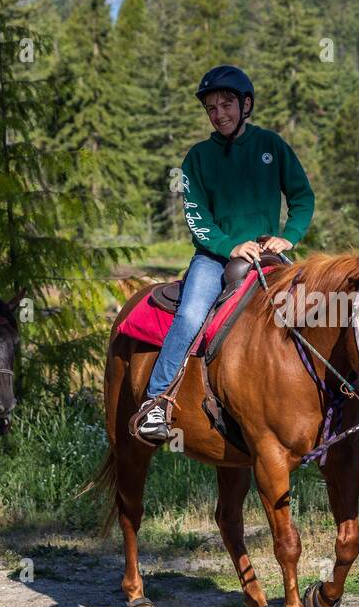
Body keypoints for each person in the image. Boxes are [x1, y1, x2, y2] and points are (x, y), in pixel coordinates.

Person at [132, 65, 315, 443]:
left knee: (310, 313)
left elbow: (302, 197)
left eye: (227, 104)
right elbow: (195, 216)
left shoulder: (272, 146)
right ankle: (155, 403)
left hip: (267, 256)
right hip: (214, 258)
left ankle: (318, 405)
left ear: (246, 104)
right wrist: (228, 246)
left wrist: (289, 237)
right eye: (212, 108)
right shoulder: (197, 158)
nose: (220, 114)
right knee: (190, 315)